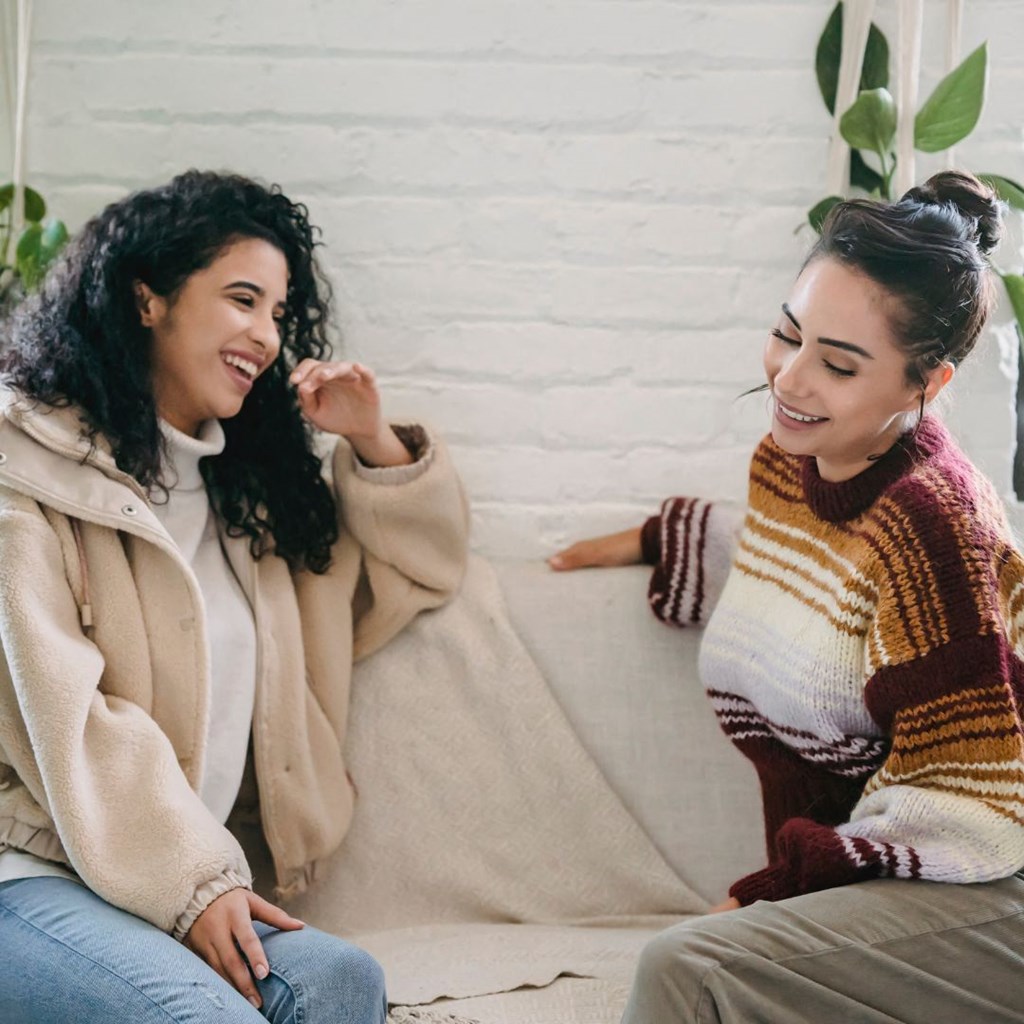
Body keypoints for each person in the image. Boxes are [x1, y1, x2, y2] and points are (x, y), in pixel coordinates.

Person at [550, 171, 1024, 1023]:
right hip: (889, 880)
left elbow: (966, 800)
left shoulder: (933, 524)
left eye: (838, 364)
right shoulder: (795, 462)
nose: (791, 379)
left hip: (991, 879)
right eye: (787, 333)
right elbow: (817, 575)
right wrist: (667, 540)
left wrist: (783, 886)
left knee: (686, 970)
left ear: (931, 385)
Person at [0, 170, 470, 1023]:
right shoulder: (21, 470)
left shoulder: (251, 505)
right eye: (242, 299)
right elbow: (66, 716)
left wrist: (368, 437)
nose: (265, 334)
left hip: (168, 886)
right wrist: (193, 880)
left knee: (343, 980)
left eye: (279, 314)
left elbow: (422, 573)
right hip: (31, 869)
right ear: (149, 298)